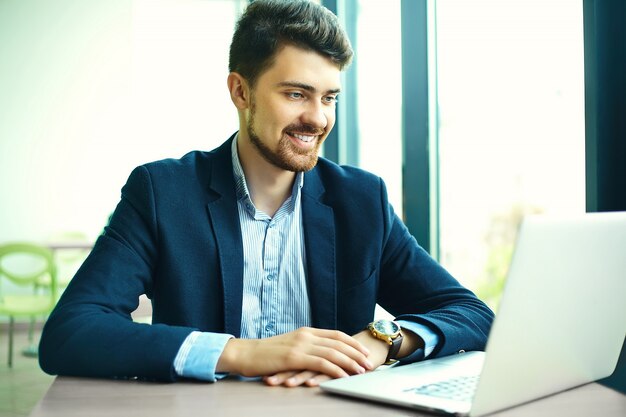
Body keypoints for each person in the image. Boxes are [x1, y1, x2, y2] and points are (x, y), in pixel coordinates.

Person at [39, 0, 493, 387]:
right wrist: (241, 354)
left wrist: (381, 340)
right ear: (241, 91)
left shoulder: (361, 200)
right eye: (297, 94)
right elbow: (70, 332)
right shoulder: (162, 192)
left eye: (329, 98)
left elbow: (472, 313)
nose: (317, 118)